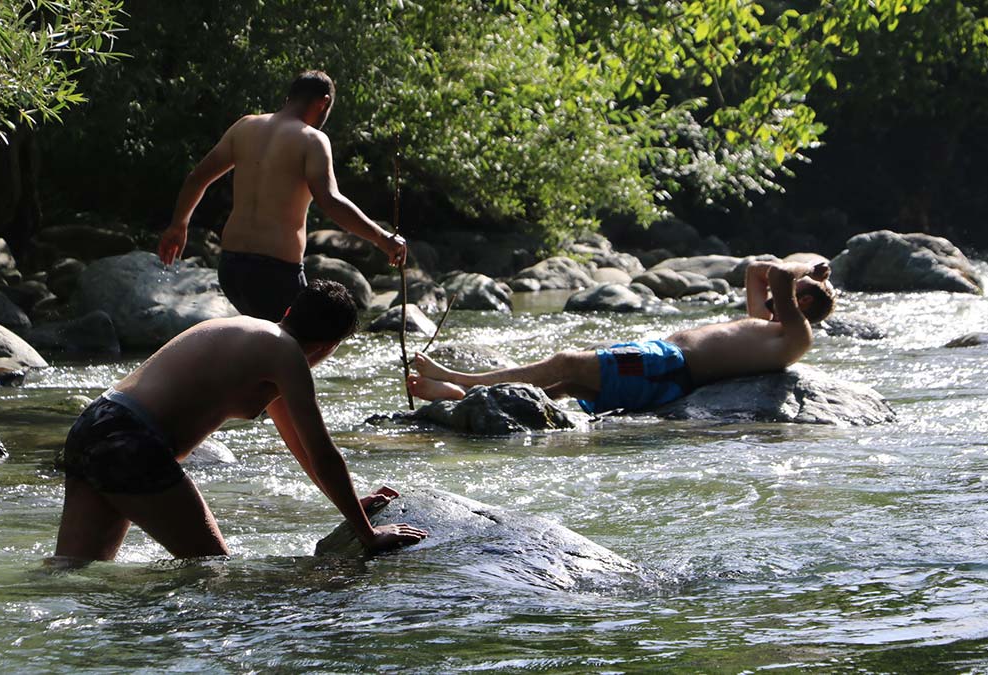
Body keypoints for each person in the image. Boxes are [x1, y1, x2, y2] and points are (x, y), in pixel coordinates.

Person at [54, 280, 427, 561]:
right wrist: (369, 534)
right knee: (212, 571)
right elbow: (323, 452)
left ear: (288, 313)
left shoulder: (257, 336)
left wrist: (349, 506)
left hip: (94, 424)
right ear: (329, 346)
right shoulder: (286, 354)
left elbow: (301, 448)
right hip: (131, 442)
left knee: (73, 572)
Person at [408, 260, 836, 414]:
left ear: (806, 308)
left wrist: (808, 274)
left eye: (796, 298)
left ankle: (463, 380)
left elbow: (777, 273)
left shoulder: (796, 335)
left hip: (666, 365)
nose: (781, 299)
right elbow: (754, 272)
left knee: (565, 362)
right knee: (565, 387)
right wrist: (801, 282)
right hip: (661, 369)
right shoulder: (771, 325)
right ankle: (461, 400)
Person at [157, 70, 407, 321]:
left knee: (265, 345)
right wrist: (382, 238)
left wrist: (178, 225)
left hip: (231, 267)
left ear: (290, 97)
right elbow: (329, 201)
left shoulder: (245, 126)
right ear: (324, 102)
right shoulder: (313, 140)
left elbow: (197, 178)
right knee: (301, 348)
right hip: (275, 272)